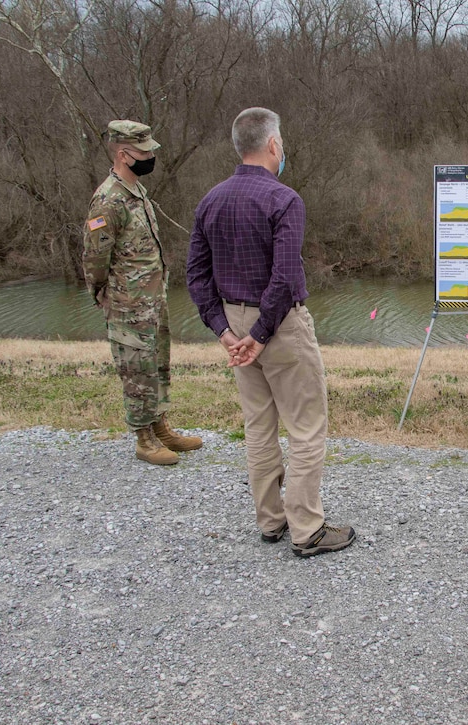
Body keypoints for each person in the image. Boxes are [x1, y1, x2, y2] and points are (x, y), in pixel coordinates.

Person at [186, 107, 354, 558]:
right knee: (305, 426)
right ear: (274, 145)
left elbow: (196, 277)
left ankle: (271, 521)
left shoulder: (211, 200)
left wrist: (223, 330)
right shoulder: (284, 199)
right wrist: (259, 334)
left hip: (235, 324)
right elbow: (282, 279)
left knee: (258, 425)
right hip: (278, 326)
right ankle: (307, 529)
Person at [83, 120, 203, 466]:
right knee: (135, 371)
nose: (150, 156)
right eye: (143, 151)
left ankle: (160, 425)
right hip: (128, 302)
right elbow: (94, 258)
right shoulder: (108, 200)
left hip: (152, 300)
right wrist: (105, 296)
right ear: (123, 154)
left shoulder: (137, 192)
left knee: (156, 366)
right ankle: (143, 437)